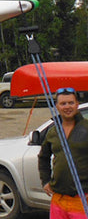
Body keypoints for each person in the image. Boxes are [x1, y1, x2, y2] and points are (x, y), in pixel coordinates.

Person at [38, 87, 88, 218]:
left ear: (77, 104)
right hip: (58, 198)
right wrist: (45, 180)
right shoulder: (53, 132)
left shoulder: (86, 128)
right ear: (57, 106)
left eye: (71, 103)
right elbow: (43, 157)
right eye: (63, 103)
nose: (67, 107)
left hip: (82, 198)